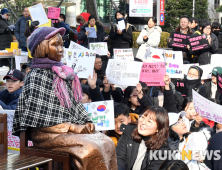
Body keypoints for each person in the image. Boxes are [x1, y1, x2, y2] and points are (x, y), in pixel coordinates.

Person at [12, 27, 117, 169]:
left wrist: (86, 121)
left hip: (67, 130)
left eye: (61, 45)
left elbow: (76, 104)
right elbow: (40, 118)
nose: (61, 49)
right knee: (90, 148)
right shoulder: (36, 75)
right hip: (45, 134)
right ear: (41, 47)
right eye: (55, 45)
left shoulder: (64, 72)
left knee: (107, 142)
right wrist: (72, 127)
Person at [116, 106, 170, 170]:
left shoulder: (163, 150)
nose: (143, 122)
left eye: (149, 121)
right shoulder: (128, 133)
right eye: (142, 117)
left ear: (159, 128)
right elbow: (119, 160)